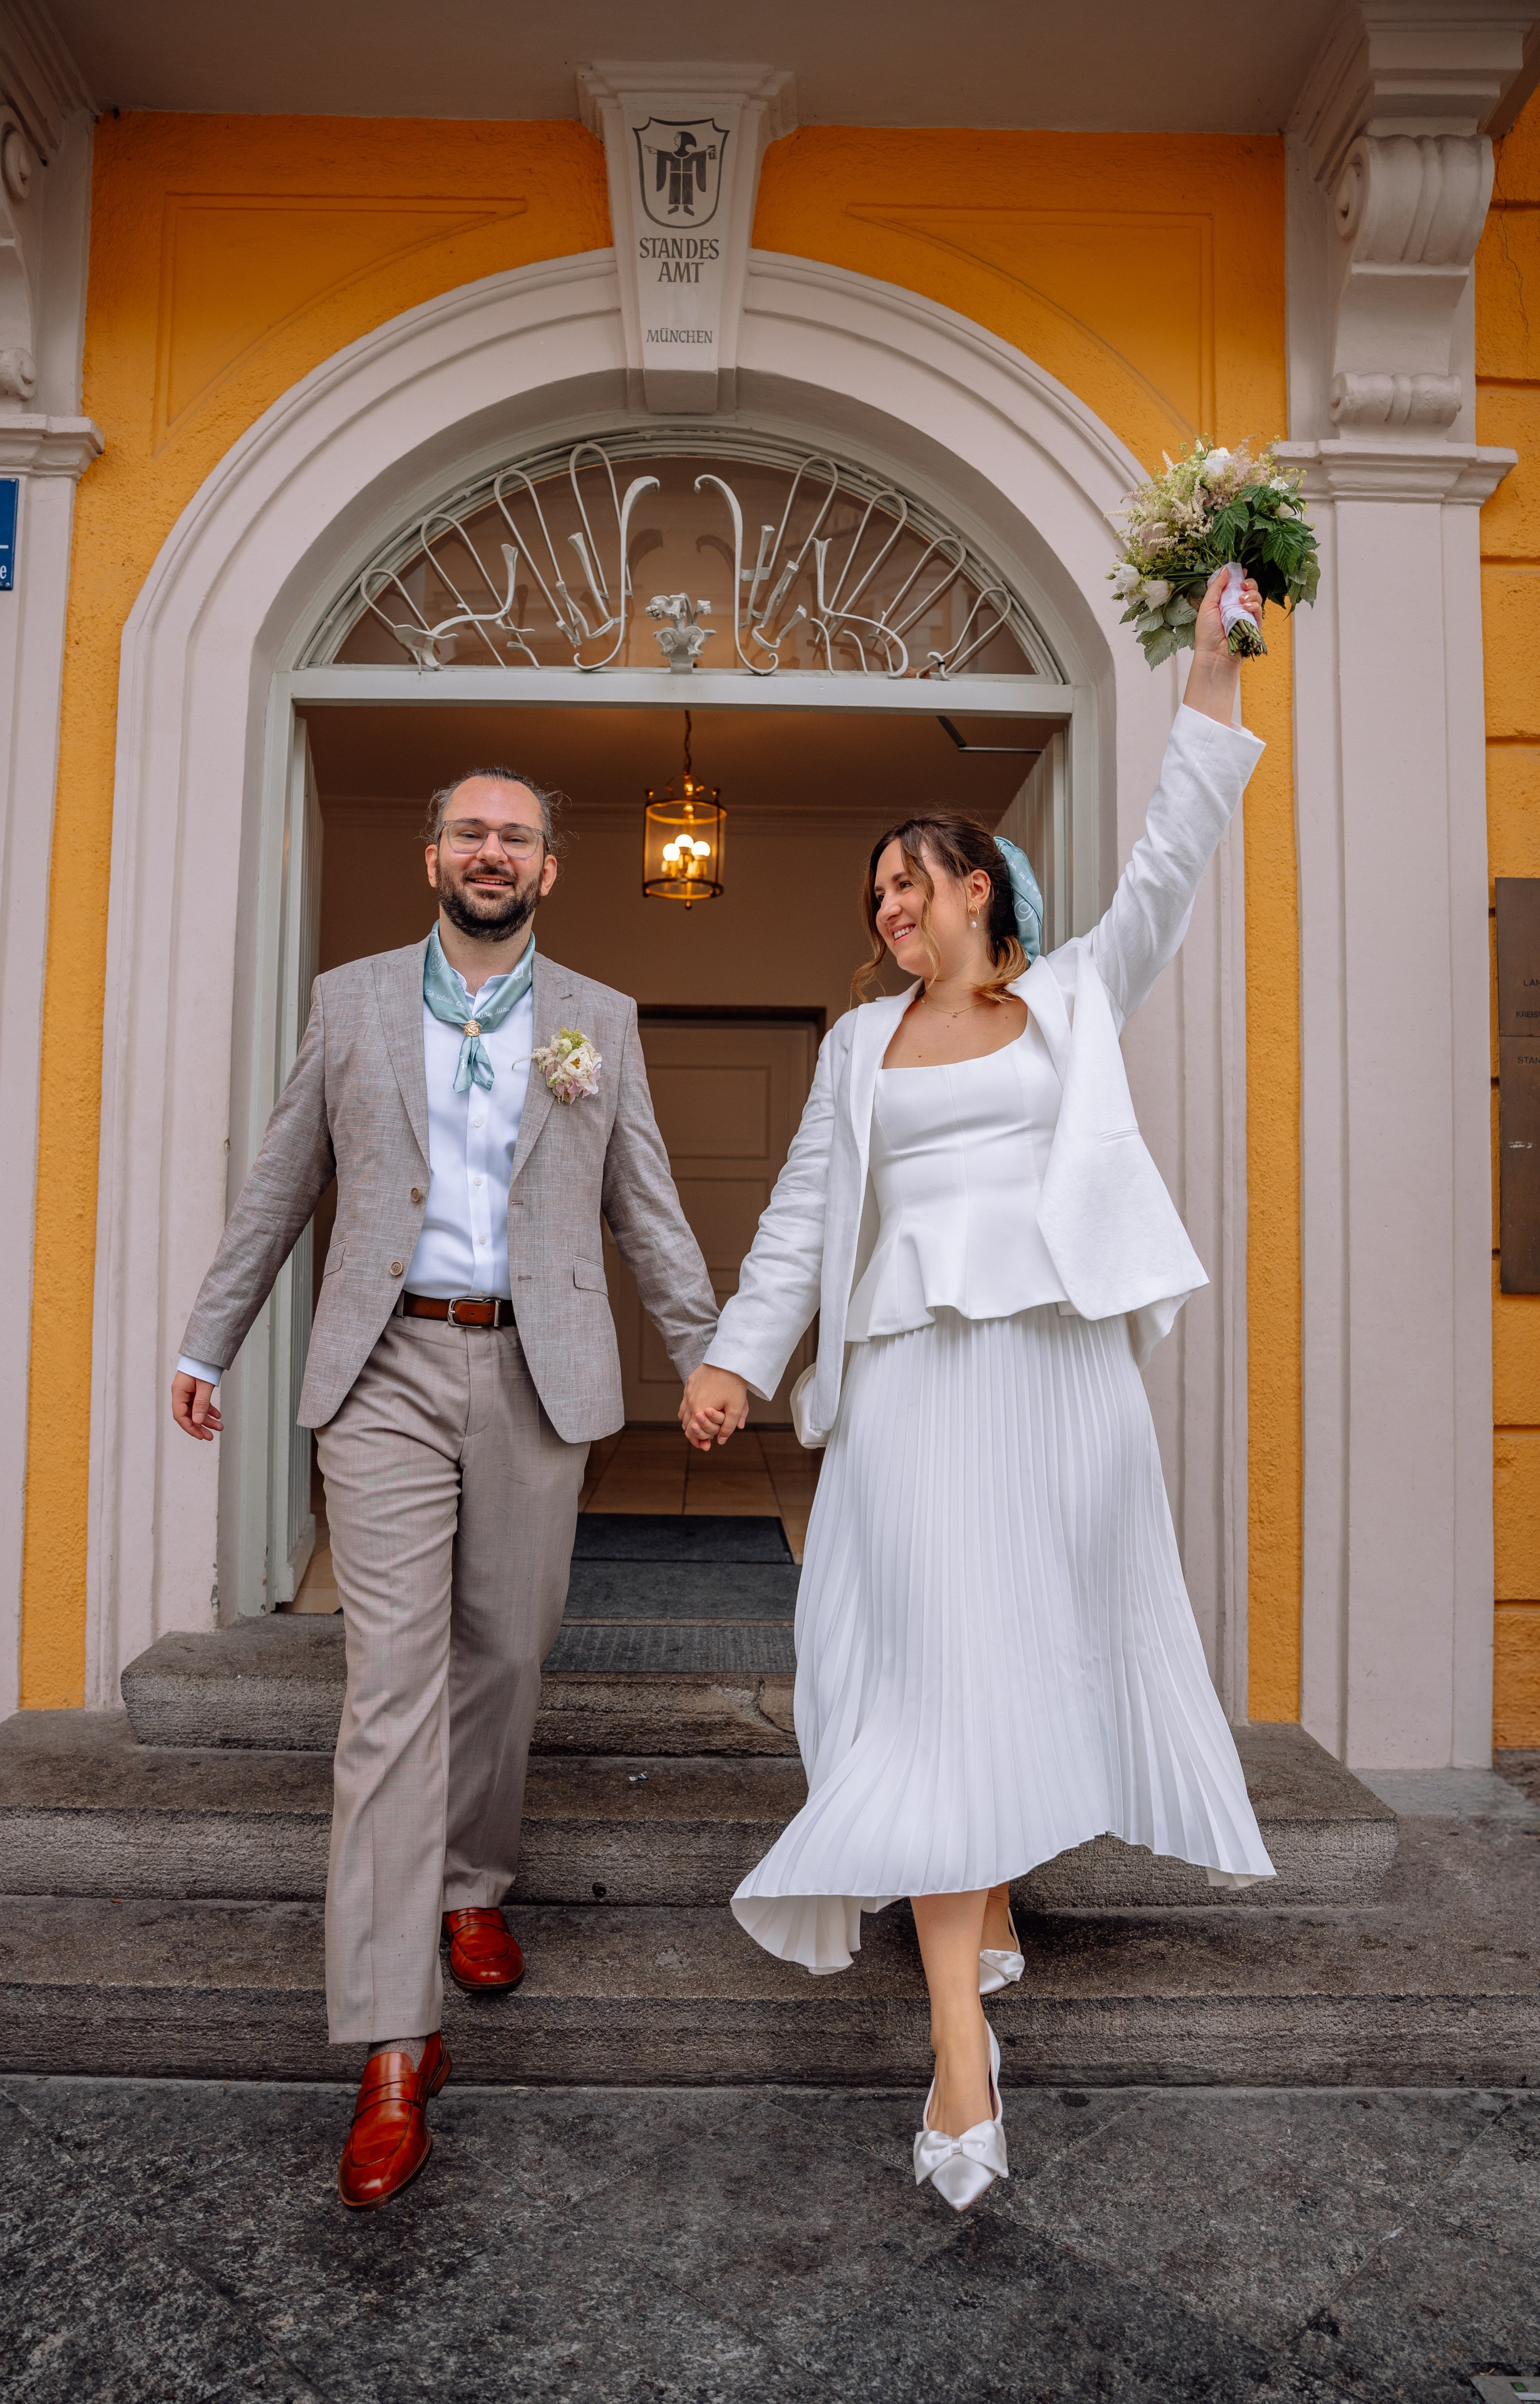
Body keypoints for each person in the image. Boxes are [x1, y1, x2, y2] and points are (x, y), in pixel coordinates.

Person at [680, 569, 1276, 2214]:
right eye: (874, 883)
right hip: (914, 1389)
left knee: (1018, 1644)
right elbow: (806, 1209)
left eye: (910, 876)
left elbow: (1170, 860)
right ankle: (959, 2044)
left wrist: (1209, 677)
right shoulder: (853, 1047)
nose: (887, 899)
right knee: (934, 1663)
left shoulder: (1070, 998)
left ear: (981, 892)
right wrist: (740, 1349)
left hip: (1059, 1377)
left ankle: (989, 1893)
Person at [172, 769, 716, 2209]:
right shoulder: (350, 1001)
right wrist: (205, 1338)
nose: (491, 852)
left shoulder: (598, 1017)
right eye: (469, 831)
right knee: (387, 1691)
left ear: (549, 869)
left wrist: (711, 1357)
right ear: (432, 855)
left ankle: (473, 1882)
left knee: (507, 1654)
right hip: (386, 1370)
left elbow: (646, 1204)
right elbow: (282, 1181)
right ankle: (390, 2042)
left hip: (535, 1371)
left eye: (516, 836)